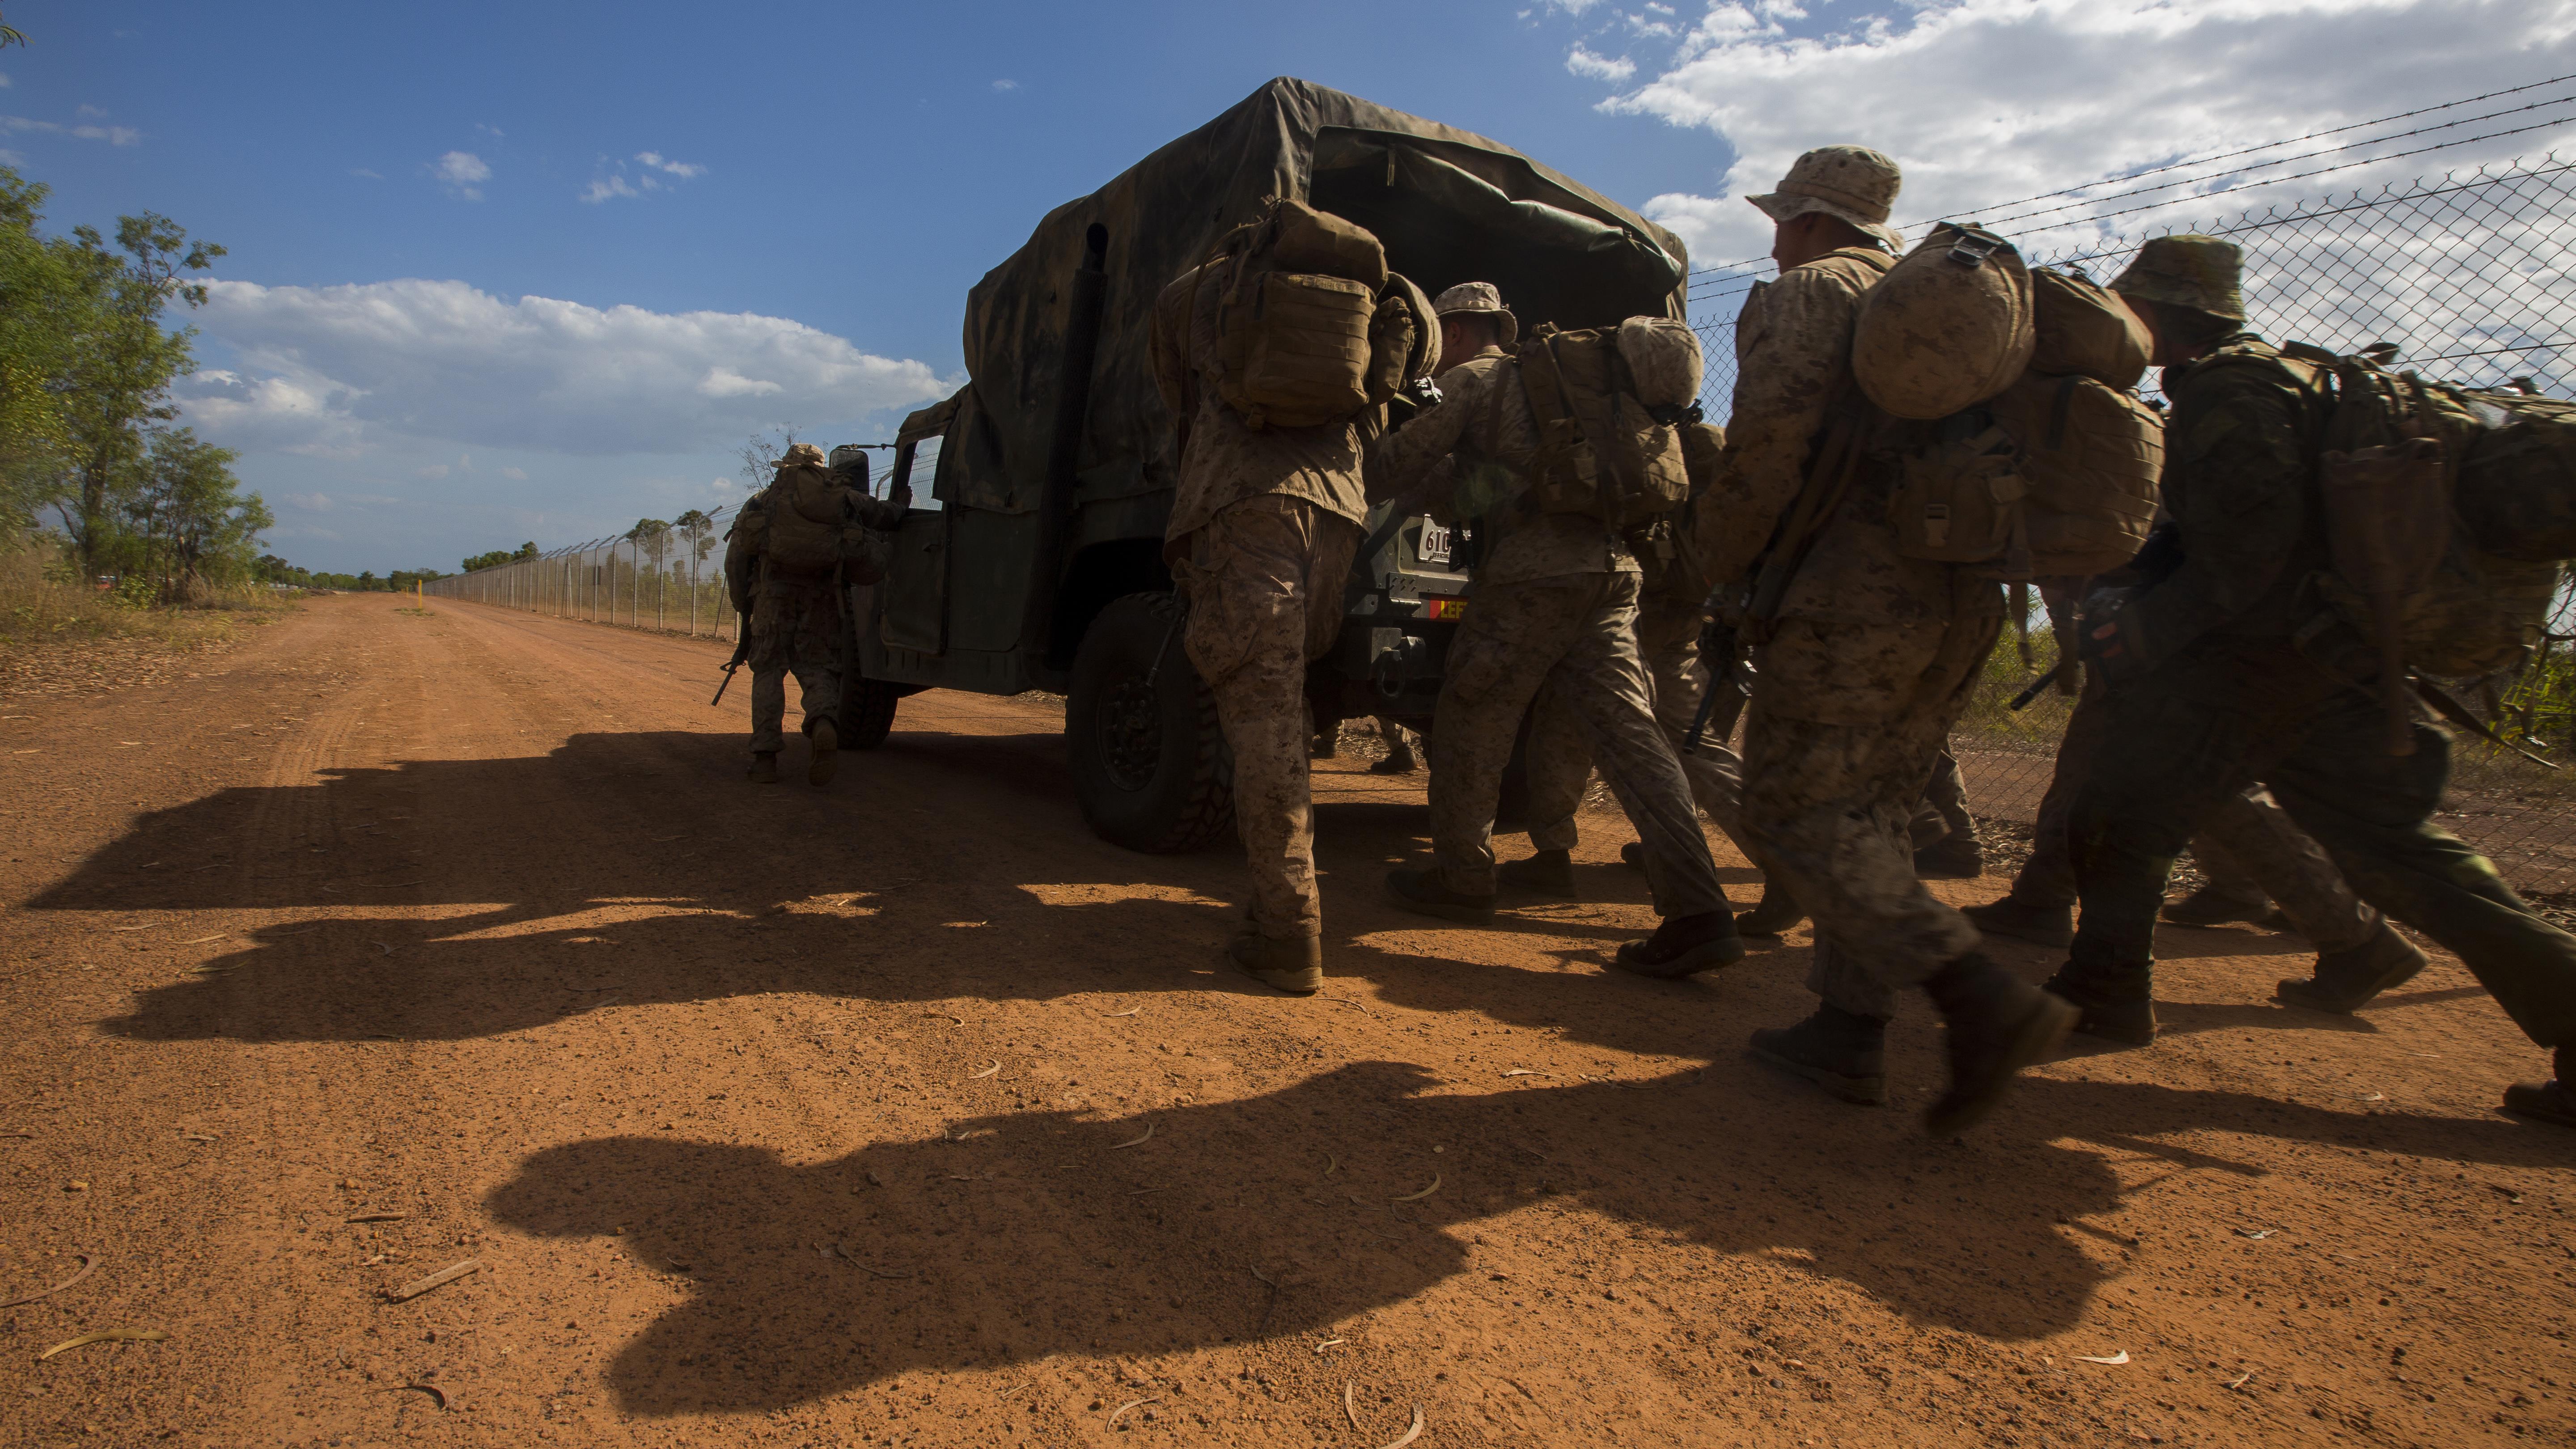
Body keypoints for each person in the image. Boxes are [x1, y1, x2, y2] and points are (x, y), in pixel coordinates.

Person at [2049, 234, 2576, 1127]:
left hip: (2269, 661)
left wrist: (2141, 636)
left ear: (2163, 314)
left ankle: (2103, 989)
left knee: (2123, 814)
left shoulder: (2230, 389)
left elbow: (2248, 556)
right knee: (2398, 852)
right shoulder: (2293, 378)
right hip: (2335, 651)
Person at [1692, 145, 2075, 1135]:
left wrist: (1713, 561)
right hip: (1965, 589)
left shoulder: (1810, 293)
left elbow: (1769, 443)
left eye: (1782, 218)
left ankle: (1982, 1002)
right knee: (1877, 805)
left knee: (1792, 804)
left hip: (1851, 591)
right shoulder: (1941, 306)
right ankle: (1847, 1031)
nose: (1773, 237)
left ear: (1813, 220)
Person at [1366, 282, 1743, 978]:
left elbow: (1395, 468)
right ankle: (1699, 907)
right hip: (1615, 570)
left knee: (1476, 715)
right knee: (1633, 735)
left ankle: (1462, 878)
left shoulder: (1478, 380)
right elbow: (1473, 484)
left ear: (1454, 330)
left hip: (1533, 575)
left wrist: (1355, 440)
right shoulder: (1582, 393)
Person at [1150, 213, 1412, 996]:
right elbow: (1408, 366)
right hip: (1338, 511)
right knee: (1284, 699)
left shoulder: (1191, 294)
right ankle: (1283, 903)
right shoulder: (1382, 291)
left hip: (1245, 501)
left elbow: (1177, 401)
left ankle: (1287, 926)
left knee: (1261, 711)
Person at [723, 442, 906, 786]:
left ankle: (765, 759)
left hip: (772, 597)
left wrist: (743, 604)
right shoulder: (842, 498)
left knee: (768, 673)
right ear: (820, 468)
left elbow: (737, 558)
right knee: (817, 667)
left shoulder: (764, 500)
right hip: (822, 597)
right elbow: (886, 516)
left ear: (787, 466)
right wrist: (903, 504)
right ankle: (823, 721)